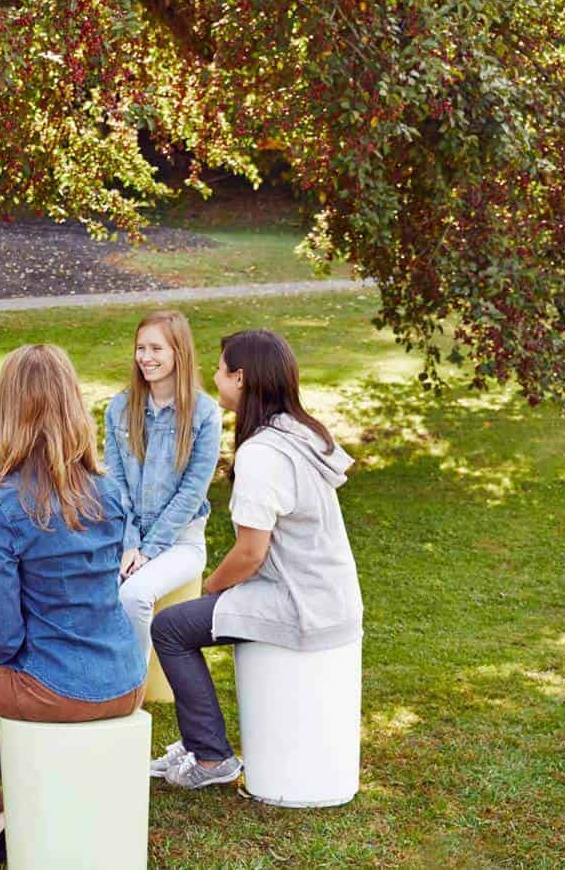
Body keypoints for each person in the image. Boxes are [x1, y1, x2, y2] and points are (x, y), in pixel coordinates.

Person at [0, 345, 148, 870]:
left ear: (9, 411)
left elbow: (2, 642)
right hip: (127, 678)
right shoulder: (110, 491)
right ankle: (26, 786)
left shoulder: (1, 505)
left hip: (59, 687)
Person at [150, 329, 363, 790]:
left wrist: (211, 589)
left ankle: (210, 757)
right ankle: (199, 745)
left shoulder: (262, 453)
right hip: (331, 595)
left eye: (220, 368)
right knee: (188, 621)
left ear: (241, 378)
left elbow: (249, 553)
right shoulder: (300, 431)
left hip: (297, 602)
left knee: (169, 627)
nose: (214, 376)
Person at [103, 310, 223, 657]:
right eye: (141, 348)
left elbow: (192, 492)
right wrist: (129, 544)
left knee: (134, 595)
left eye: (156, 348)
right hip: (126, 538)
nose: (145, 357)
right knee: (88, 592)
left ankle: (130, 690)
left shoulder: (204, 413)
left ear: (178, 352)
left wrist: (148, 551)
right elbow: (116, 484)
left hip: (181, 542)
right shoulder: (120, 408)